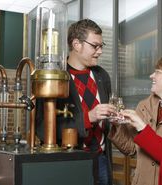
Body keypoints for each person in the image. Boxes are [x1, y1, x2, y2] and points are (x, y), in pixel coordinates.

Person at [35, 19, 116, 185]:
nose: (100, 51)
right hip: (69, 162)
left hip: (100, 160)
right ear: (77, 44)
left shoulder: (102, 75)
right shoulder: (55, 77)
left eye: (102, 46)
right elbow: (43, 129)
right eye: (95, 46)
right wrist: (88, 118)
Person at [108, 56, 162, 185]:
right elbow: (131, 149)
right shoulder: (143, 106)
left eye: (158, 72)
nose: (151, 76)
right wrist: (117, 125)